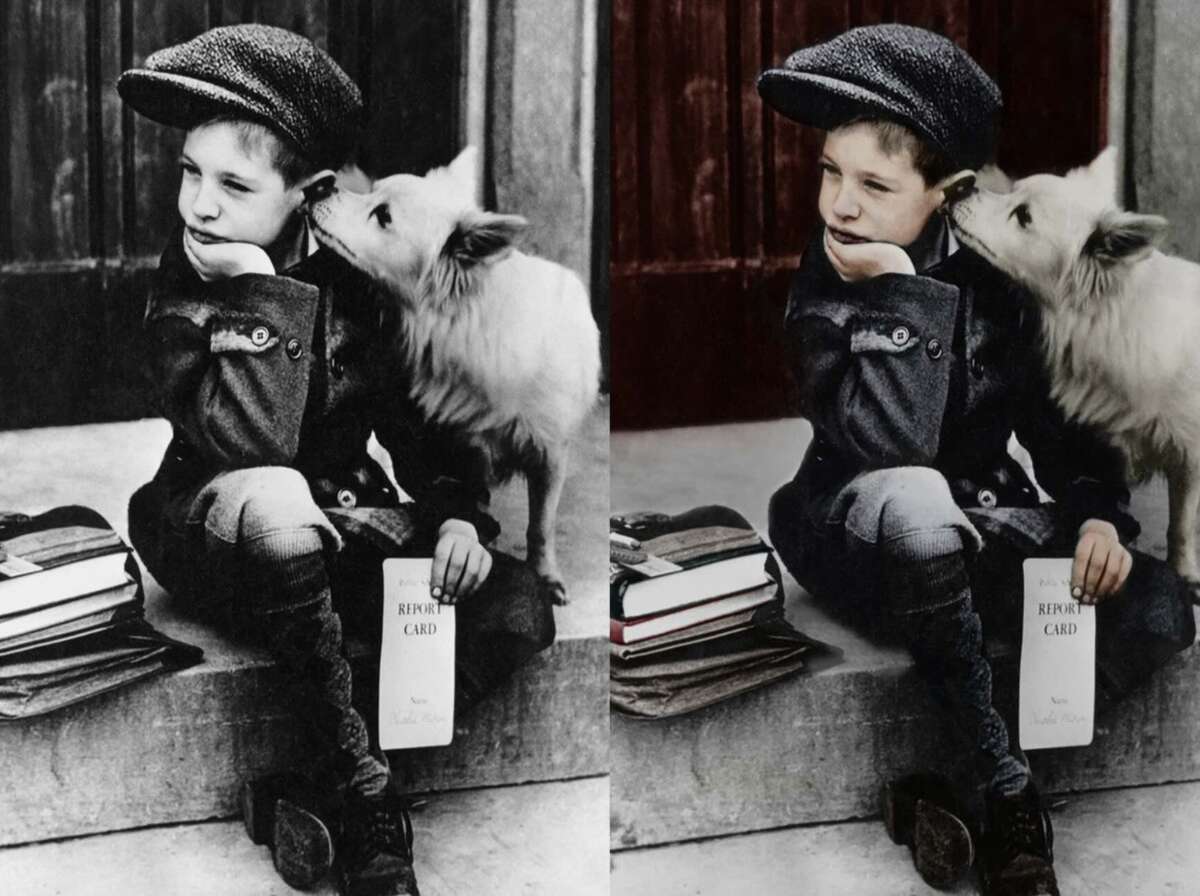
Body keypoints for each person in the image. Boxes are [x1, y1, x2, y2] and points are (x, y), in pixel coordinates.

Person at [117, 24, 554, 896]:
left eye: (234, 184)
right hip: (215, 527)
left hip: (337, 530)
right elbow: (253, 445)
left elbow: (422, 422)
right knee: (280, 497)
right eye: (190, 173)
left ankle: (313, 782)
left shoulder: (358, 283)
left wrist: (459, 513)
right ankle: (364, 803)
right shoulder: (185, 282)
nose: (201, 205)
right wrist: (258, 287)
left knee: (515, 606)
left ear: (307, 195)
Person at [758, 24, 1194, 896]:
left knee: (1159, 607)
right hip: (859, 530)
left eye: (875, 184)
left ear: (946, 195)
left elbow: (1062, 430)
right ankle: (1008, 800)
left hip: (982, 526)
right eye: (830, 173)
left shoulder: (999, 281)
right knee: (920, 498)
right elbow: (891, 446)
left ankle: (944, 788)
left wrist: (1098, 513)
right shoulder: (826, 281)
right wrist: (904, 291)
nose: (841, 205)